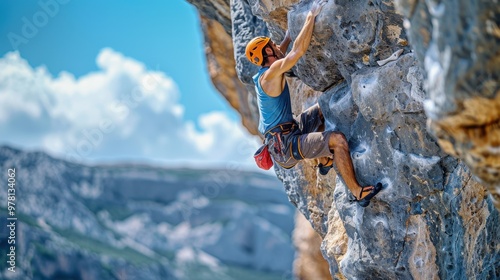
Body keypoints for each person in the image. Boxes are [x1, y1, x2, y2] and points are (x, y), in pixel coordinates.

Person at [245, 0, 382, 207]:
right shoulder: (270, 75)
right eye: (272, 46)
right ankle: (357, 193)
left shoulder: (265, 72)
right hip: (285, 145)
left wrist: (290, 34)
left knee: (321, 110)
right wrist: (310, 16)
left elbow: (283, 49)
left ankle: (324, 160)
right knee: (338, 140)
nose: (276, 46)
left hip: (286, 132)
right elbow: (295, 53)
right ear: (267, 55)